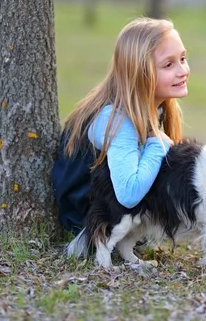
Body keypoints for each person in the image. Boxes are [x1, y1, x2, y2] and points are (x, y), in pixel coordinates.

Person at [52, 17, 190, 233]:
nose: (183, 70)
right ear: (140, 72)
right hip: (89, 223)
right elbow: (128, 194)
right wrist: (159, 145)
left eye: (183, 58)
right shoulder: (117, 119)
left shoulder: (153, 108)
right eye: (169, 65)